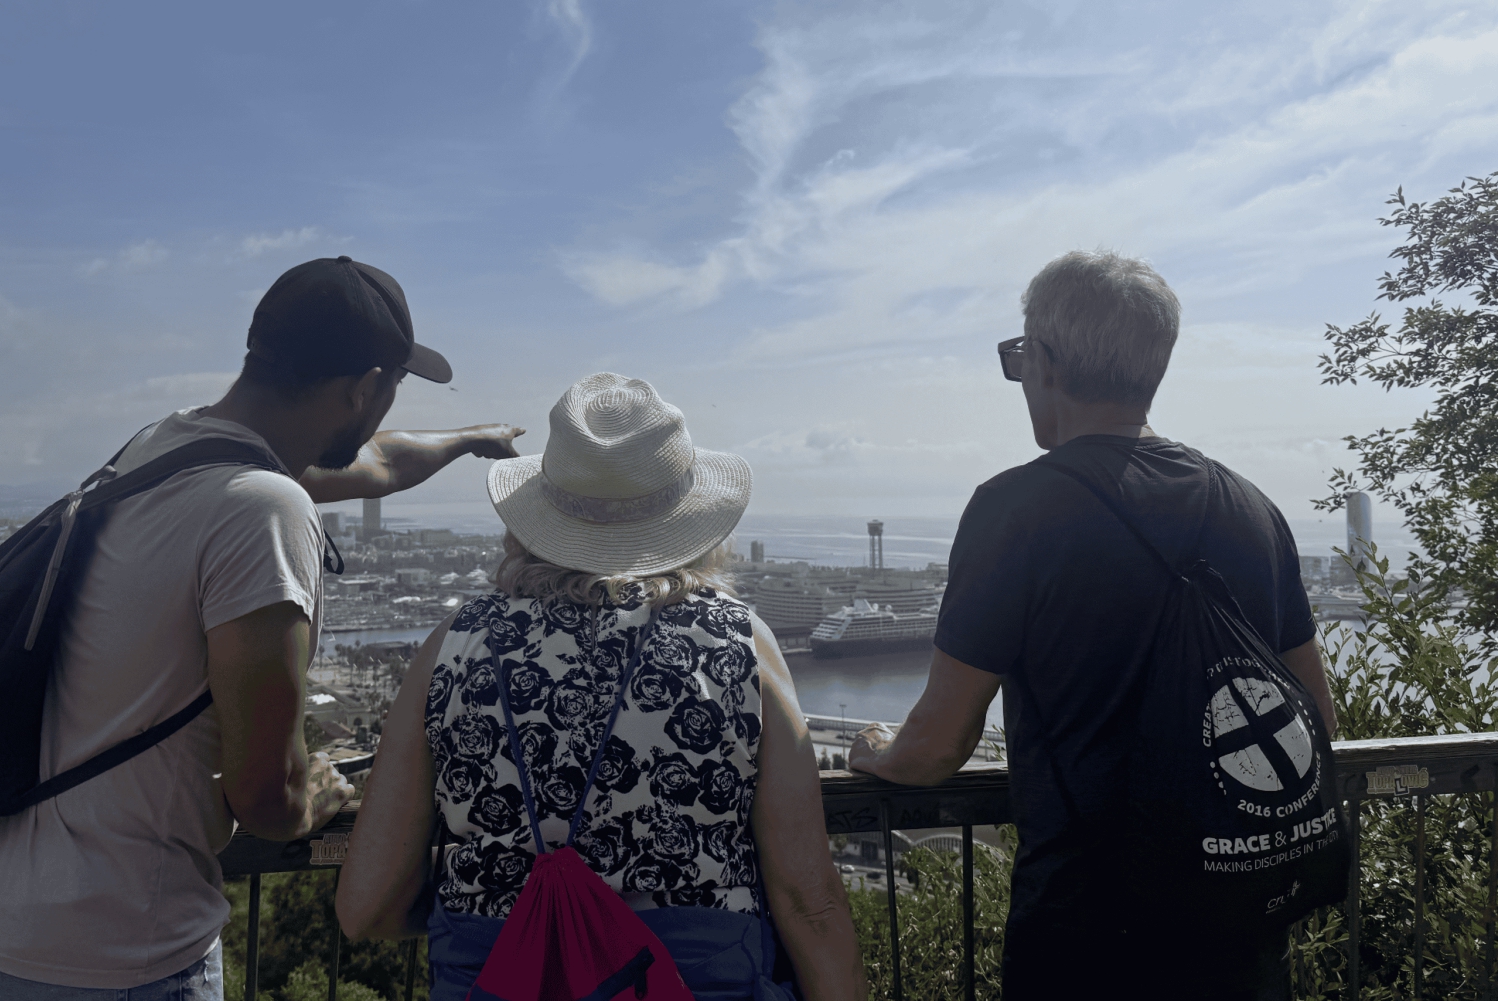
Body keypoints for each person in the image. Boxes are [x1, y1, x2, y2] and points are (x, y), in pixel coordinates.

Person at [0, 256, 526, 1000]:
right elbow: (264, 790)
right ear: (364, 387)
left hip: (21, 922)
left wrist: (471, 438)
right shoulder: (263, 509)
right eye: (390, 391)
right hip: (125, 946)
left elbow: (376, 462)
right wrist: (314, 796)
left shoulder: (165, 451)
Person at [849, 251, 1337, 1001]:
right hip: (1239, 919)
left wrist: (879, 751)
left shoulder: (1015, 510)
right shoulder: (1251, 507)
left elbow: (939, 745)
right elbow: (1315, 715)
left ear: (1043, 361)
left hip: (1091, 931)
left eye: (1018, 359)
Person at [336, 373, 867, 1001]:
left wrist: (496, 911)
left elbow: (364, 905)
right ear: (690, 517)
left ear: (534, 517)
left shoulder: (457, 646)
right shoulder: (736, 646)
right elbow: (811, 902)